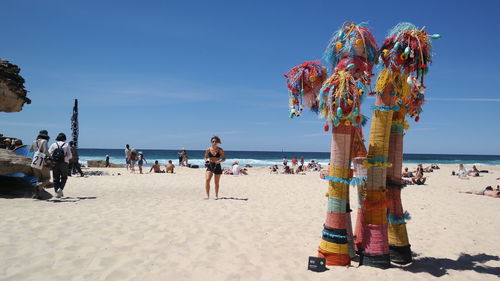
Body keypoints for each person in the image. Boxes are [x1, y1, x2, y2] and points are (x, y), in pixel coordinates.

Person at [29, 130, 52, 199]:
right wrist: (51, 156)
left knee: (39, 179)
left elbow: (31, 150)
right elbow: (45, 151)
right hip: (42, 162)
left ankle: (38, 195)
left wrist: (37, 150)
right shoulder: (44, 141)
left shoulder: (34, 141)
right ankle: (38, 186)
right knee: (47, 178)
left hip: (34, 161)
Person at [48, 133, 72, 198]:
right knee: (64, 177)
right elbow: (70, 156)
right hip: (64, 163)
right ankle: (60, 189)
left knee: (56, 178)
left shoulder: (53, 144)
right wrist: (65, 157)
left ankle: (57, 191)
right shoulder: (66, 145)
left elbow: (49, 153)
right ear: (64, 138)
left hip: (55, 163)